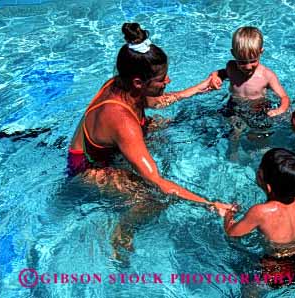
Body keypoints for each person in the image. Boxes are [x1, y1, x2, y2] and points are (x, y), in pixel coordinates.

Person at [68, 22, 232, 213]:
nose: (168, 81)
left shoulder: (123, 84)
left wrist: (201, 87)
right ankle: (121, 235)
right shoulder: (122, 121)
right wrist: (210, 205)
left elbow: (159, 102)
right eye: (162, 79)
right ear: (139, 82)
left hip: (111, 149)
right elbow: (157, 181)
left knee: (170, 124)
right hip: (88, 169)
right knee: (152, 198)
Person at [223, 148, 295, 287]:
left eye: (260, 168)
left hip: (276, 265)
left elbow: (232, 233)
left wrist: (229, 215)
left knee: (250, 291)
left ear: (268, 187)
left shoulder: (261, 212)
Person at [209, 27, 291, 158]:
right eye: (242, 62)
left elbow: (284, 97)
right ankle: (233, 153)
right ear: (233, 54)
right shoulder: (231, 66)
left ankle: (262, 152)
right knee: (234, 133)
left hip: (258, 110)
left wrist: (280, 110)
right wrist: (215, 76)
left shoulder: (267, 75)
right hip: (234, 107)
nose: (247, 67)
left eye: (253, 61)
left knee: (259, 136)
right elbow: (222, 73)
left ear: (261, 52)